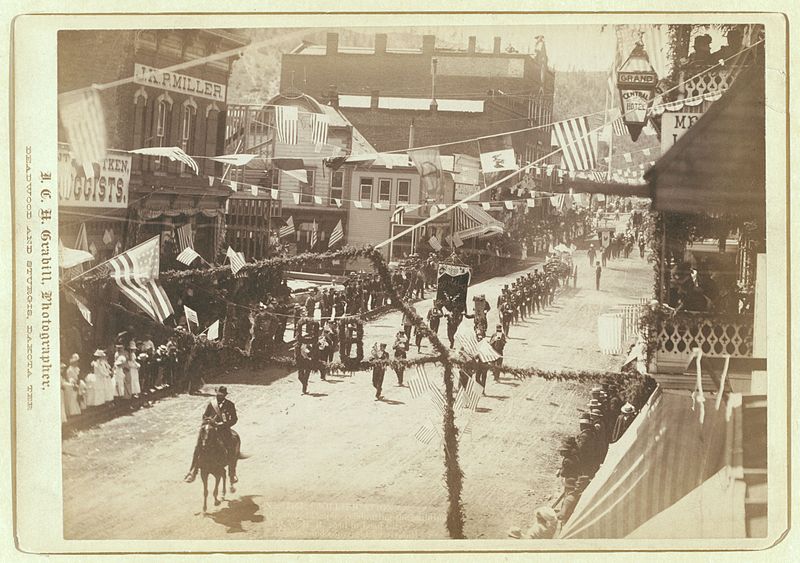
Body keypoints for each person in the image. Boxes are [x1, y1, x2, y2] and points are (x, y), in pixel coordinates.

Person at [185, 386, 240, 483]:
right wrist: (208, 421)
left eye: (221, 395)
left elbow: (234, 419)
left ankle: (232, 474)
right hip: (210, 428)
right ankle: (193, 471)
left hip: (223, 429)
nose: (219, 397)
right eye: (218, 395)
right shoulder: (212, 404)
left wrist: (222, 424)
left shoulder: (230, 405)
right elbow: (205, 416)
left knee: (231, 446)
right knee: (198, 446)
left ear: (224, 395)